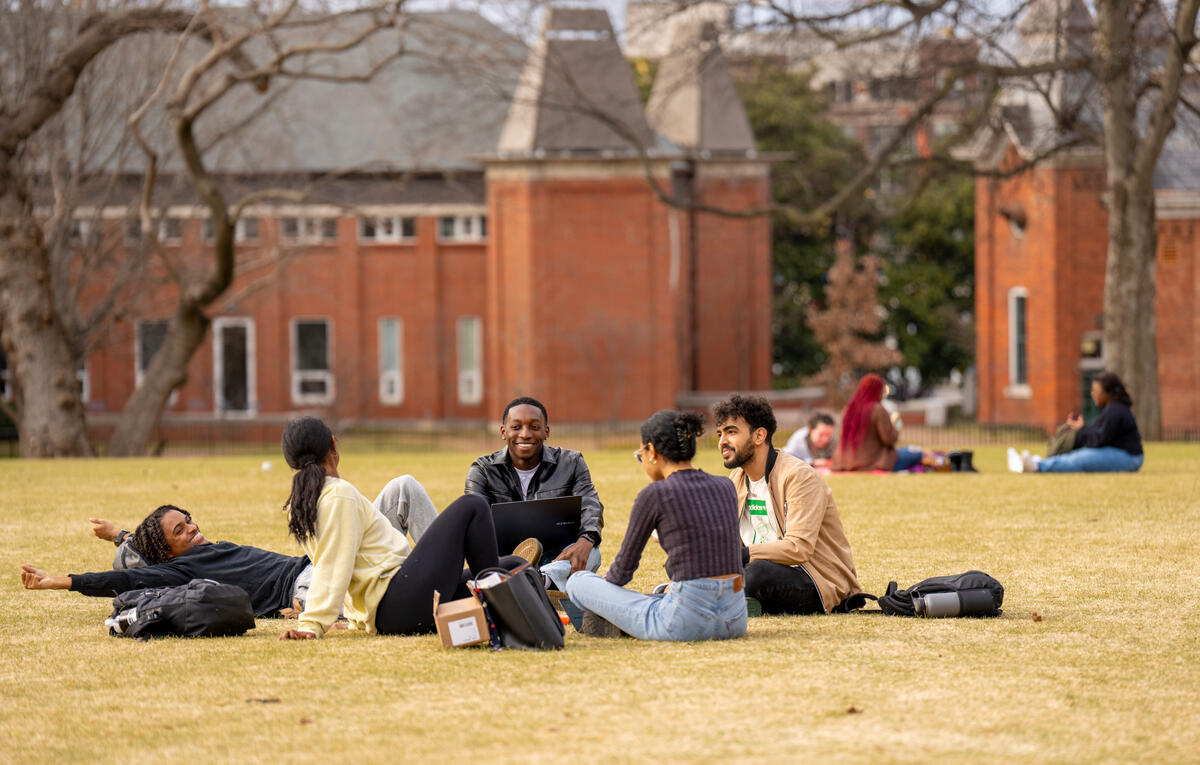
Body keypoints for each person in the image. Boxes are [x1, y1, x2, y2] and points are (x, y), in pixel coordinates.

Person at [279, 417, 514, 640]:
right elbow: (332, 564)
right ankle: (494, 607)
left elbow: (344, 566)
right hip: (396, 603)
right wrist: (312, 625)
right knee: (472, 506)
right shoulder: (339, 494)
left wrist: (355, 620)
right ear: (333, 443)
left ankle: (496, 597)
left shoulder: (302, 503)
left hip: (395, 607)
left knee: (513, 566)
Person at [541, 410, 746, 641]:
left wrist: (603, 594)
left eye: (641, 455)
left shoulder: (655, 494)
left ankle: (610, 619)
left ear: (652, 451)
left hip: (683, 623)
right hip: (735, 619)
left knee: (579, 582)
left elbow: (623, 571)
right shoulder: (725, 486)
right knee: (653, 599)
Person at [713, 394, 864, 615]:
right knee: (693, 564)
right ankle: (732, 599)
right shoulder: (736, 479)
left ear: (759, 435)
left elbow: (798, 548)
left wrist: (741, 556)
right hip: (758, 568)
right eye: (720, 434)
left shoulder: (798, 476)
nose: (722, 442)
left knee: (756, 574)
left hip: (816, 579)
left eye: (731, 432)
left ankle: (723, 599)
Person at [20, 505, 311, 617]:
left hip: (311, 565)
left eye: (188, 520)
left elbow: (147, 545)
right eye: (180, 531)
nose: (192, 528)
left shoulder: (201, 551)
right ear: (166, 554)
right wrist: (57, 582)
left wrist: (118, 535)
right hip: (304, 585)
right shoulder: (182, 571)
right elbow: (125, 579)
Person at [466, 396, 603, 573]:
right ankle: (542, 581)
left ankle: (539, 579)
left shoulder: (572, 463)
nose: (525, 434)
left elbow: (590, 504)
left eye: (534, 427)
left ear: (546, 431)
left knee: (592, 553)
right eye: (516, 427)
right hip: (505, 560)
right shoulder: (483, 470)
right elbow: (474, 524)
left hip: (558, 556)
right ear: (503, 432)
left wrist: (586, 540)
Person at [1008, 371, 1144, 473]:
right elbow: (1100, 436)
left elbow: (1100, 440)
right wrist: (1082, 427)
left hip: (1129, 457)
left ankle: (1038, 466)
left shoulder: (1115, 410)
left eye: (1096, 391)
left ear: (1107, 393)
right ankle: (1037, 462)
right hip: (1120, 453)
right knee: (1079, 455)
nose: (1093, 394)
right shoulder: (1110, 408)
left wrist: (1082, 429)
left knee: (1081, 459)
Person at [831, 374, 923, 472]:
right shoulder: (877, 410)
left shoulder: (848, 410)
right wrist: (896, 426)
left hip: (846, 462)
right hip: (873, 462)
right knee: (917, 452)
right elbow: (889, 439)